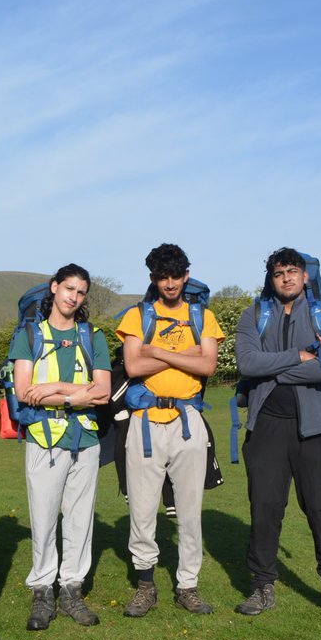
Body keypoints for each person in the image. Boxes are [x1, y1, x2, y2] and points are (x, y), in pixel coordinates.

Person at [233, 247, 321, 621]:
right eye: (278, 272)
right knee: (265, 510)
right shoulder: (253, 315)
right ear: (270, 278)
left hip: (317, 430)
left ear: (306, 276)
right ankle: (261, 587)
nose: (286, 277)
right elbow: (246, 363)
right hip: (266, 427)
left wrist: (270, 370)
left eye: (292, 271)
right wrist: (297, 357)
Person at [116, 244, 223, 618]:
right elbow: (131, 366)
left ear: (186, 275)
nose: (170, 283)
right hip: (145, 421)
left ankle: (188, 587)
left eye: (176, 275)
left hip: (187, 421)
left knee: (190, 511)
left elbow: (208, 365)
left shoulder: (202, 316)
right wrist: (183, 355)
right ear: (153, 279)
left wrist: (156, 351)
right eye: (163, 276)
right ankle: (146, 586)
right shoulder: (137, 316)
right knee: (143, 510)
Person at [8, 264, 111, 630]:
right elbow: (23, 391)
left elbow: (102, 392)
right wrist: (76, 391)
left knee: (81, 519)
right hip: (44, 440)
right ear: (54, 288)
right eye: (69, 288)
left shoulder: (92, 336)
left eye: (81, 292)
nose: (74, 297)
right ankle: (42, 591)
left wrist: (54, 390)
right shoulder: (30, 335)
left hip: (84, 438)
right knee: (44, 517)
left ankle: (71, 589)